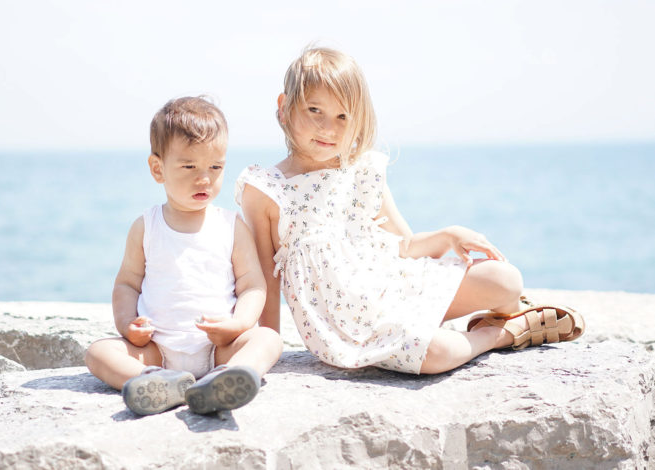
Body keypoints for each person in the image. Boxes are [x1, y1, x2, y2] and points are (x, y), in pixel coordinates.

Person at [236, 46, 584, 375]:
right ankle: (505, 333)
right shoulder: (267, 189)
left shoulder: (361, 171)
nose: (329, 128)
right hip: (351, 325)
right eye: (315, 111)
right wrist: (269, 346)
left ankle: (485, 315)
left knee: (506, 279)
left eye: (343, 116)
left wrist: (449, 235)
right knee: (437, 353)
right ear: (285, 107)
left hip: (395, 287)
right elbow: (264, 276)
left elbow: (404, 245)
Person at [85, 96, 283, 415]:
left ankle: (227, 379)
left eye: (215, 167)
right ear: (157, 168)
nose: (203, 177)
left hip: (219, 348)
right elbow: (127, 285)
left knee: (268, 340)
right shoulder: (146, 227)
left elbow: (252, 286)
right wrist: (127, 325)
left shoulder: (231, 226)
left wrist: (238, 324)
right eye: (189, 166)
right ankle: (158, 383)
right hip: (157, 350)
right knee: (98, 353)